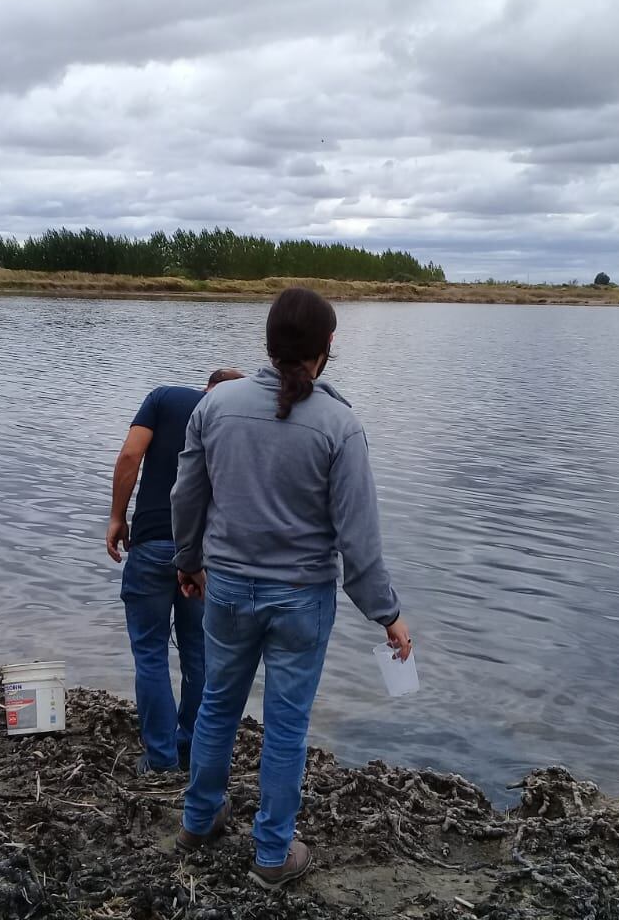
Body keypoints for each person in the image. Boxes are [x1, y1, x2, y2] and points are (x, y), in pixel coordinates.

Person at [170, 288, 412, 889]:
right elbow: (358, 543)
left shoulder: (216, 405)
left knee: (217, 707)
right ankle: (272, 854)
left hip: (224, 588)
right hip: (302, 598)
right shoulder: (340, 424)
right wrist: (388, 614)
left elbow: (186, 497)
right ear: (328, 347)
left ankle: (199, 820)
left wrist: (187, 560)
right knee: (285, 727)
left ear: (269, 342)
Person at [107, 368, 245, 774]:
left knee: (150, 653)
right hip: (205, 556)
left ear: (207, 385)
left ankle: (161, 758)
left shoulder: (164, 399)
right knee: (199, 655)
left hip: (151, 543)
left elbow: (131, 454)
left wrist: (117, 516)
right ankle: (190, 750)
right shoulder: (238, 419)